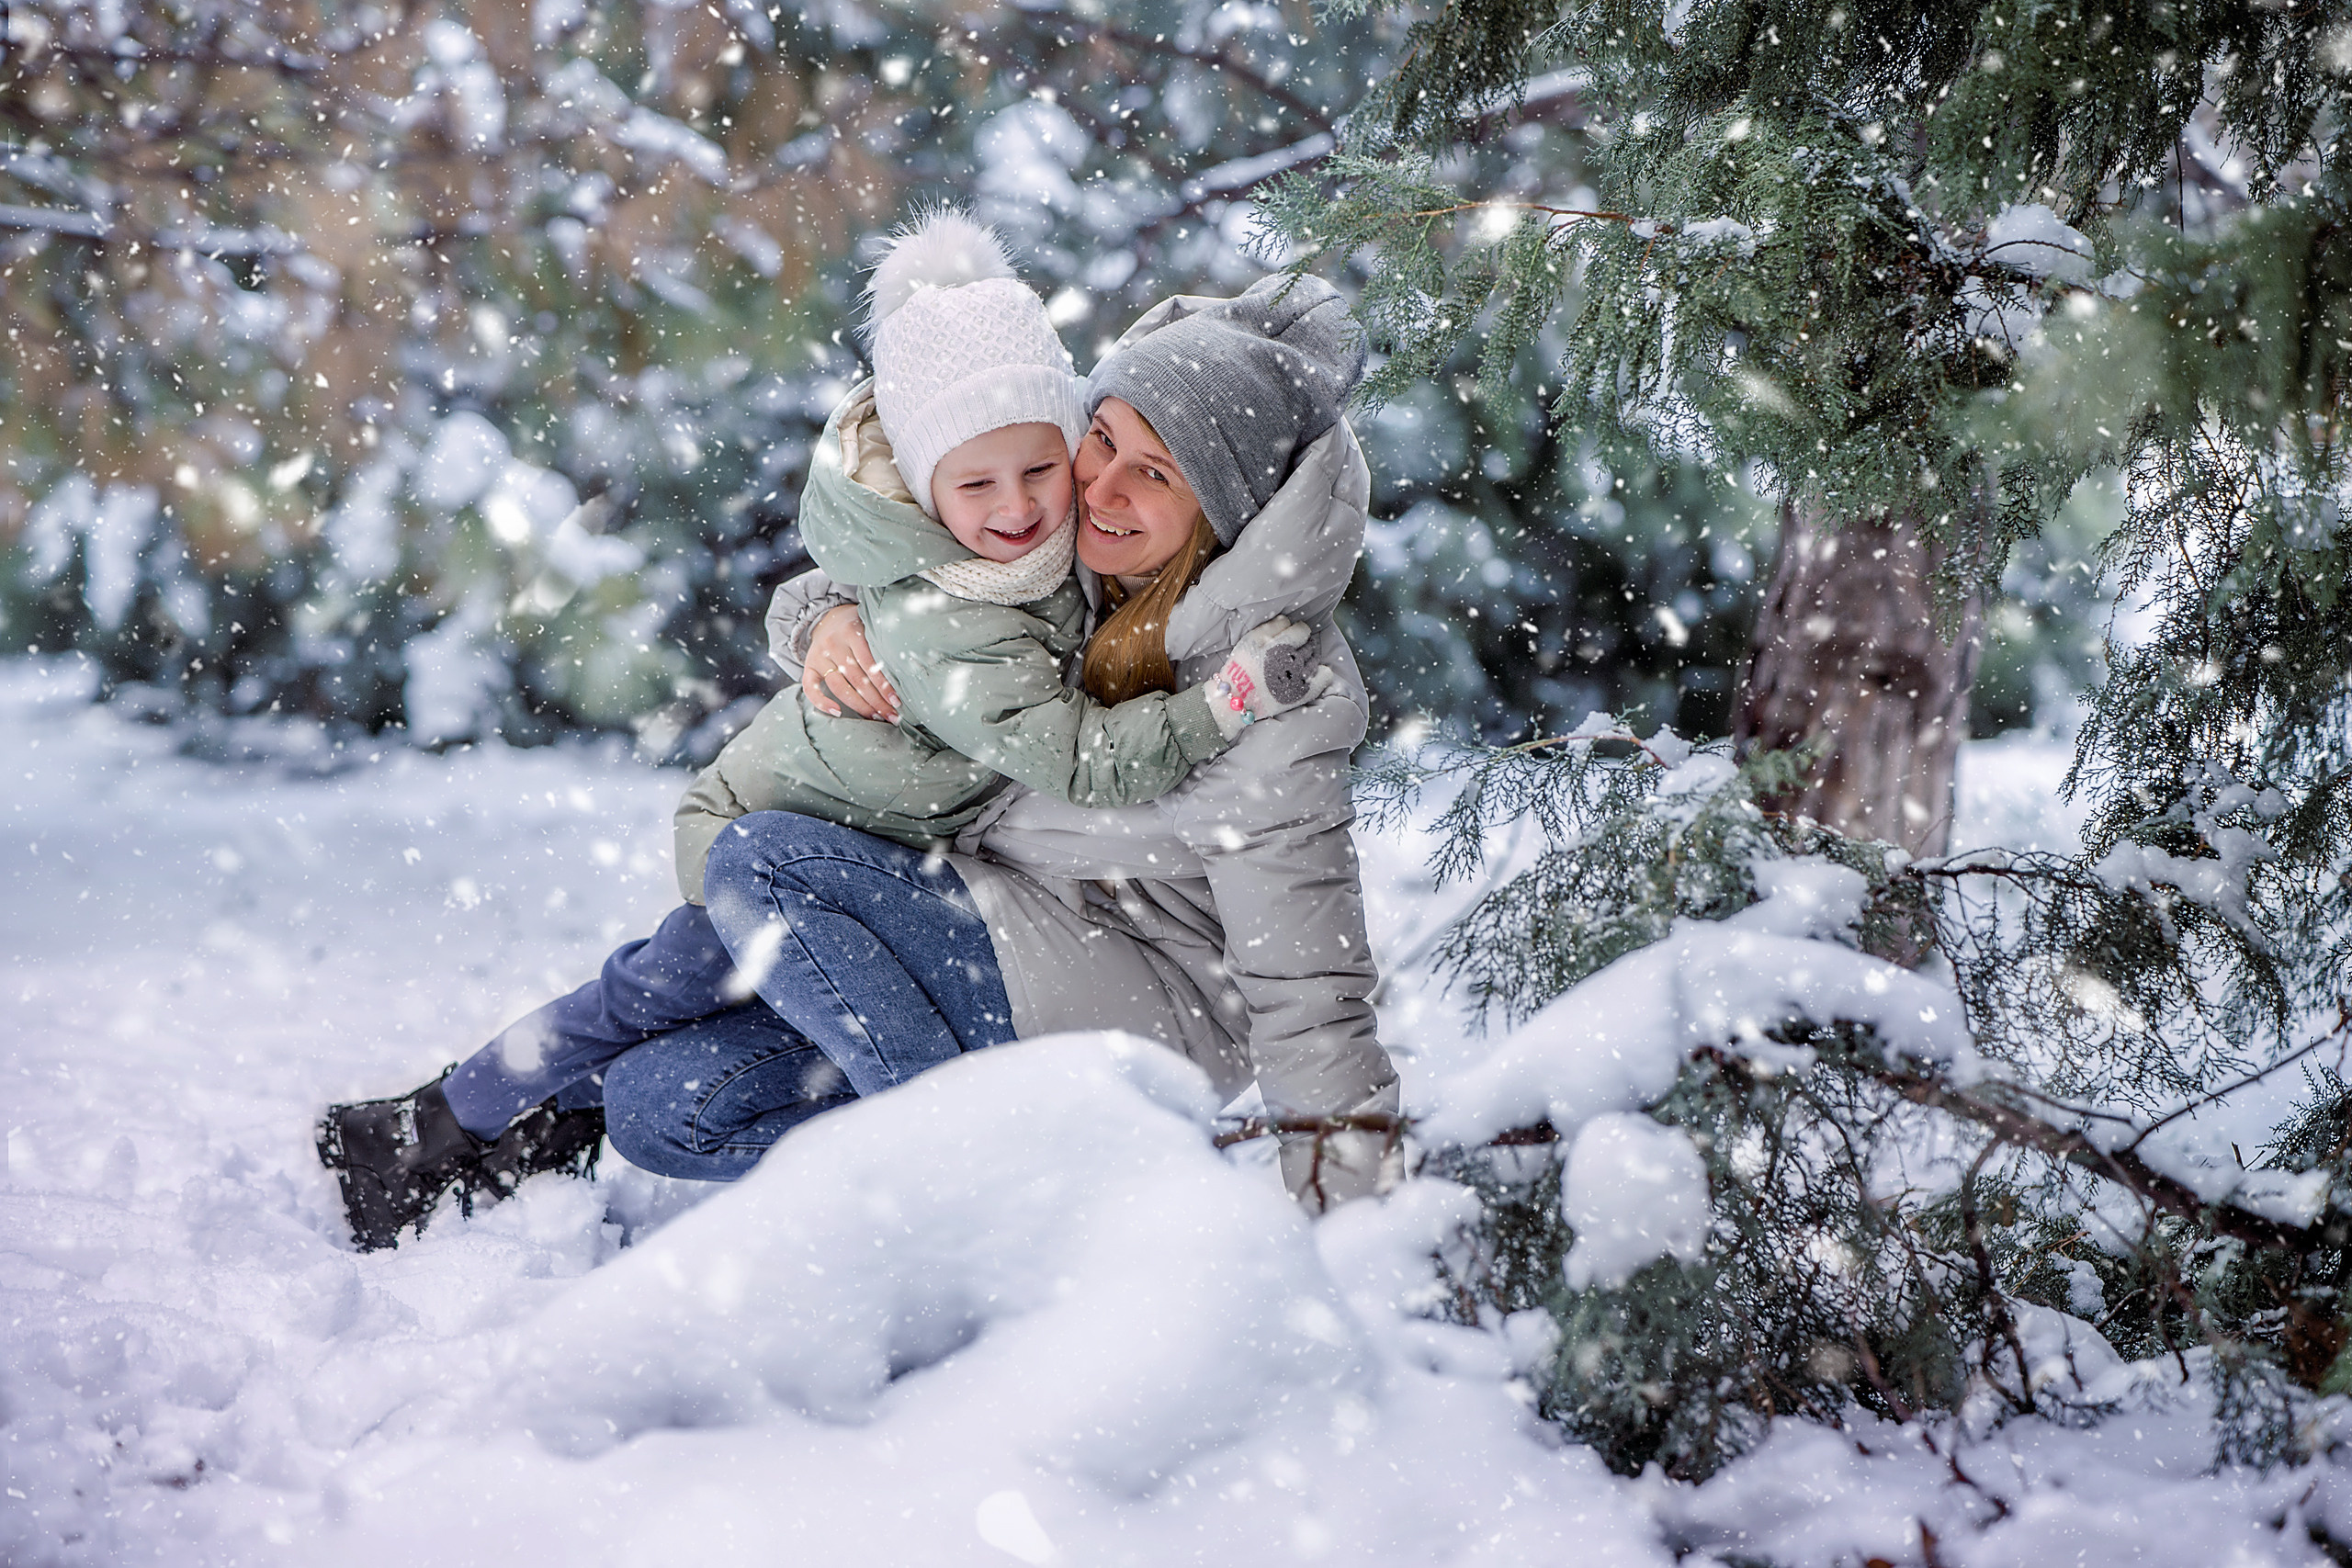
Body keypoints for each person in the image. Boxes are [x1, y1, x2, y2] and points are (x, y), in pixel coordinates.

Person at [315, 215, 1324, 1250]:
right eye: (979, 484)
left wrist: (1337, 1133)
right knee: (690, 981)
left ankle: (503, 1118)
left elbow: (1258, 893)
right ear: (930, 487)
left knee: (664, 1046)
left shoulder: (1115, 555)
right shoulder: (985, 568)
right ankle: (471, 1117)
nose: (1028, 504)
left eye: (1044, 469)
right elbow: (891, 583)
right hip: (833, 838)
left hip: (974, 911)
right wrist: (821, 620)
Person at [607, 272, 1402, 1211]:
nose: (1099, 486)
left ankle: (961, 1179)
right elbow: (914, 554)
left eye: (1154, 472)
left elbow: (1312, 994)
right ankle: (986, 1150)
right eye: (1100, 439)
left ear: (1225, 514)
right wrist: (825, 619)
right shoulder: (1071, 546)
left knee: (766, 862)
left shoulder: (1274, 691)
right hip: (985, 919)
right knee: (660, 1104)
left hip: (1135, 1011)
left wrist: (1357, 1222)